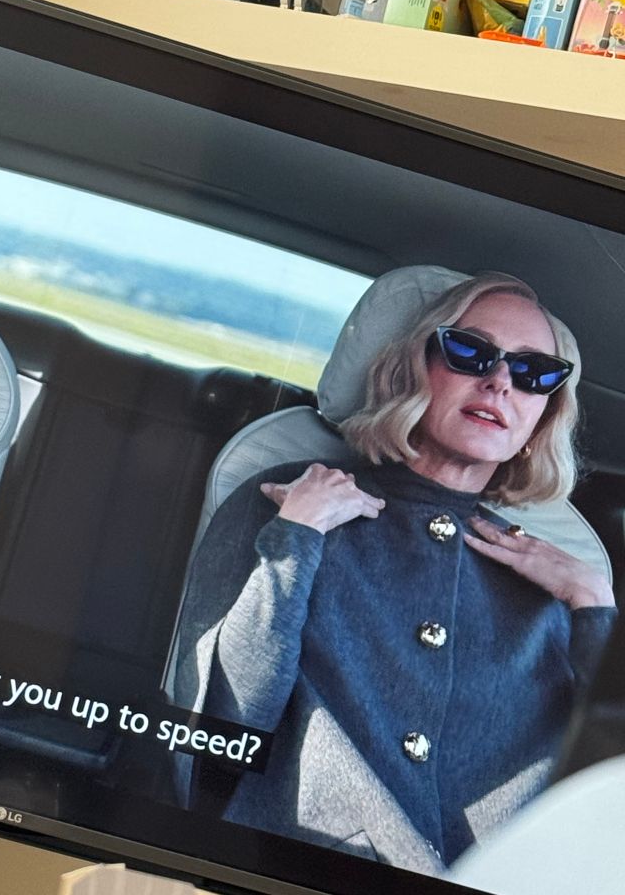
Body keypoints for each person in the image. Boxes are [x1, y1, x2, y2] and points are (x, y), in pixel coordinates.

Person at [170, 272, 617, 873]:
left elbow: (608, 803)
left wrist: (594, 606)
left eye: (533, 372)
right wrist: (296, 537)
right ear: (413, 369)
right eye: (470, 351)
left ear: (542, 416)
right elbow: (217, 738)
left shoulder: (563, 586)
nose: (500, 382)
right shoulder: (286, 502)